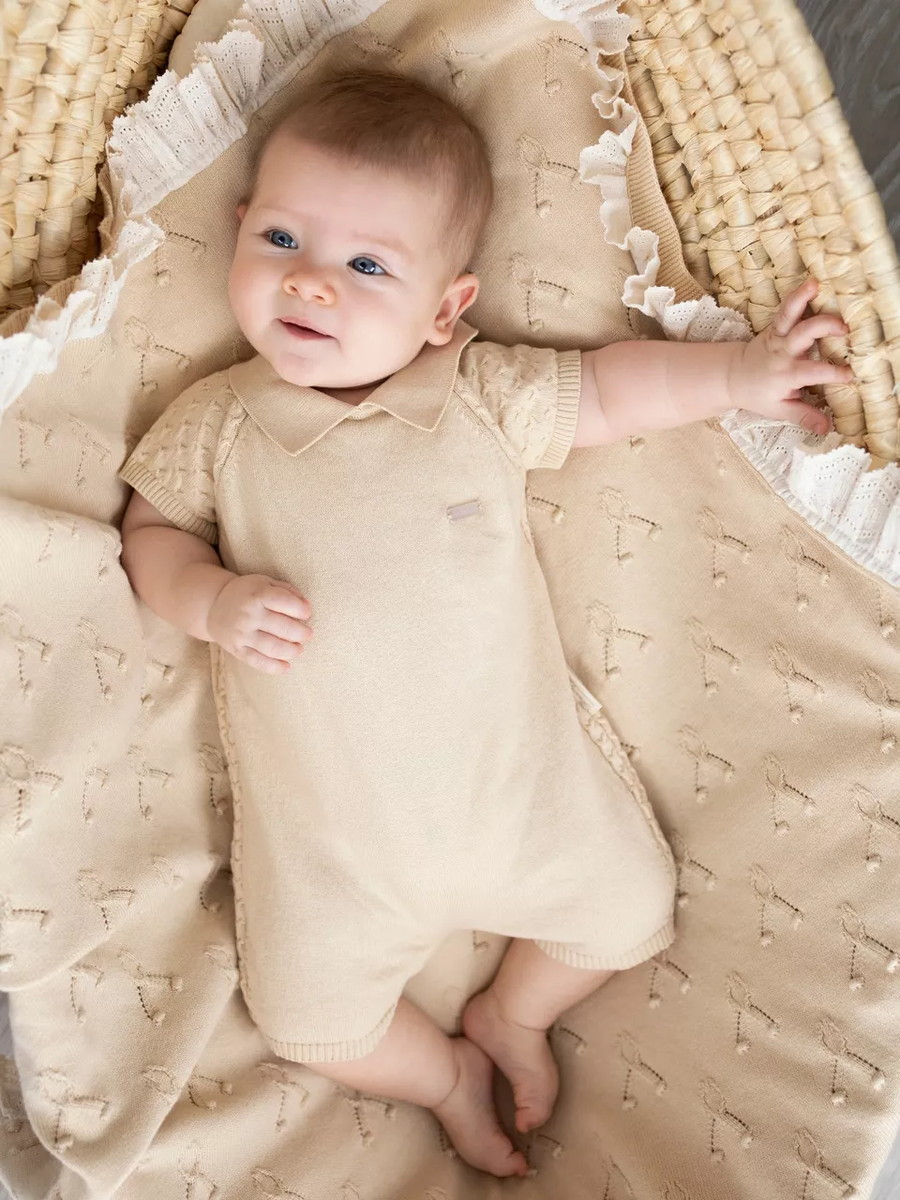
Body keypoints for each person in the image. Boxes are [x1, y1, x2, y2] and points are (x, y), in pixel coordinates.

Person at [118, 70, 851, 1177]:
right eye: (282, 239)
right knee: (308, 1020)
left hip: (522, 798)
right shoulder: (222, 421)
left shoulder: (470, 394)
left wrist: (740, 375)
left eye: (368, 266)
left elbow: (612, 392)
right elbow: (149, 535)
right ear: (238, 229)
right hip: (330, 852)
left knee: (628, 911)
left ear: (444, 310)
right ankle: (445, 1075)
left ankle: (514, 1012)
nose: (310, 281)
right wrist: (211, 600)